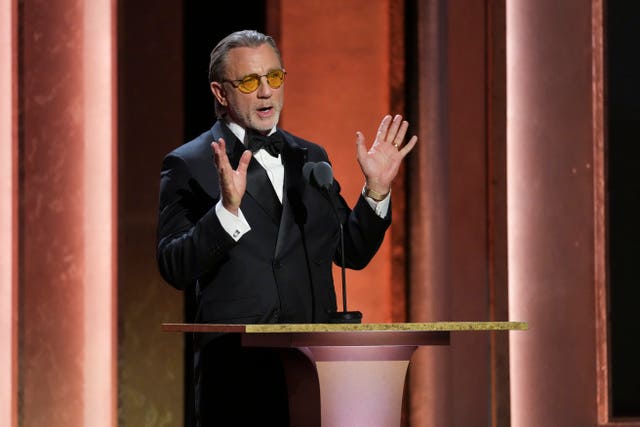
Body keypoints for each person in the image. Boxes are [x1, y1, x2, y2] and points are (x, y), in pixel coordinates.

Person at [156, 29, 417, 426]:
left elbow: (351, 250)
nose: (266, 92)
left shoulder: (310, 157)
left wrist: (376, 192)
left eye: (274, 78)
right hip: (237, 380)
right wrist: (226, 211)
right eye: (249, 81)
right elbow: (174, 265)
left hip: (315, 376)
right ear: (220, 92)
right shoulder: (189, 163)